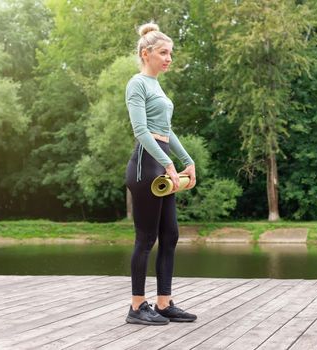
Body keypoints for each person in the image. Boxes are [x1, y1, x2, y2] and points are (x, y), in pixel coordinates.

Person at [124, 22, 197, 326]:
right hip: (146, 165)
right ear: (146, 53)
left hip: (161, 162)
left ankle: (164, 303)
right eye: (164, 52)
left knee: (170, 234)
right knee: (146, 238)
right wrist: (167, 163)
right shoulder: (137, 83)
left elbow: (166, 131)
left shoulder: (157, 86)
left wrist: (187, 159)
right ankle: (137, 306)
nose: (169, 58)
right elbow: (141, 131)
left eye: (171, 53)